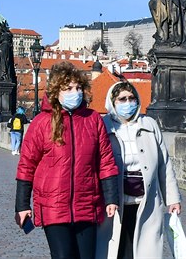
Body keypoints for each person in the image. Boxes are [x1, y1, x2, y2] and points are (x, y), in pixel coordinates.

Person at [15, 61, 119, 259]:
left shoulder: (92, 119)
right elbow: (26, 166)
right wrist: (22, 205)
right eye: (69, 88)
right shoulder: (41, 122)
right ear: (56, 91)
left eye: (78, 88)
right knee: (63, 256)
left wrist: (111, 197)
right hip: (53, 204)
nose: (75, 92)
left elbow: (105, 160)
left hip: (86, 202)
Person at [96, 81, 181, 259]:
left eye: (131, 98)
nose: (128, 103)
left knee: (144, 248)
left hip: (146, 198)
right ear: (113, 102)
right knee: (117, 247)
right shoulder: (103, 125)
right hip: (115, 200)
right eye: (122, 99)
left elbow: (164, 164)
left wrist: (172, 199)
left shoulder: (149, 124)